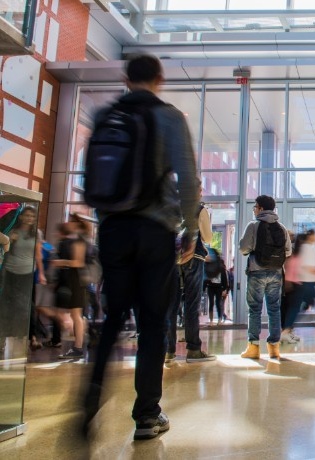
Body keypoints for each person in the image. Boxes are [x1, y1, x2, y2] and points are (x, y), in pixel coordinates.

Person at [82, 54, 201, 441]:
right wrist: (190, 230)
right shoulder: (170, 117)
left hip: (114, 229)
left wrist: (107, 224)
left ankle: (90, 396)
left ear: (126, 78)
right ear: (159, 79)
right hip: (155, 232)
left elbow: (96, 179)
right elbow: (188, 181)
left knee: (113, 317)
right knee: (153, 323)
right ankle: (147, 414)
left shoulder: (104, 116)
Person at [239, 195, 292, 360]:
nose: (254, 209)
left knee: (255, 309)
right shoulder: (281, 228)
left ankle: (253, 347)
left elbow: (243, 248)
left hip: (257, 271)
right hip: (276, 272)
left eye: (255, 206)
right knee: (274, 309)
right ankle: (274, 348)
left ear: (261, 208)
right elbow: (288, 251)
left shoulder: (253, 225)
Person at [166, 188, 216, 363]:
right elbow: (208, 238)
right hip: (194, 258)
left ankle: (168, 351)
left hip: (172, 260)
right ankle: (193, 349)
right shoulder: (199, 209)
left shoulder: (171, 207)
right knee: (192, 304)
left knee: (171, 306)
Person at [0, 206, 44, 352]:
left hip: (27, 273)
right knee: (7, 306)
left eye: (32, 216)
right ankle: (3, 340)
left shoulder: (37, 233)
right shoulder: (13, 231)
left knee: (28, 306)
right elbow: (5, 250)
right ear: (21, 216)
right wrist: (10, 241)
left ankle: (33, 337)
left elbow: (38, 255)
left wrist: (42, 273)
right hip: (11, 271)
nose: (29, 218)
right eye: (27, 215)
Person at [54, 214, 90, 359]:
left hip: (77, 281)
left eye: (70, 220)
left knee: (76, 316)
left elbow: (78, 263)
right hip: (77, 281)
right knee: (76, 315)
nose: (67, 223)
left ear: (76, 224)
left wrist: (60, 262)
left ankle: (78, 347)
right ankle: (78, 347)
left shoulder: (79, 241)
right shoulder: (80, 239)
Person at [206, 255, 229, 325]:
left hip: (219, 287)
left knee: (218, 303)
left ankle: (219, 319)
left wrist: (225, 289)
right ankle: (211, 320)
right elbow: (206, 278)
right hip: (211, 287)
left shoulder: (222, 270)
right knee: (211, 303)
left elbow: (225, 280)